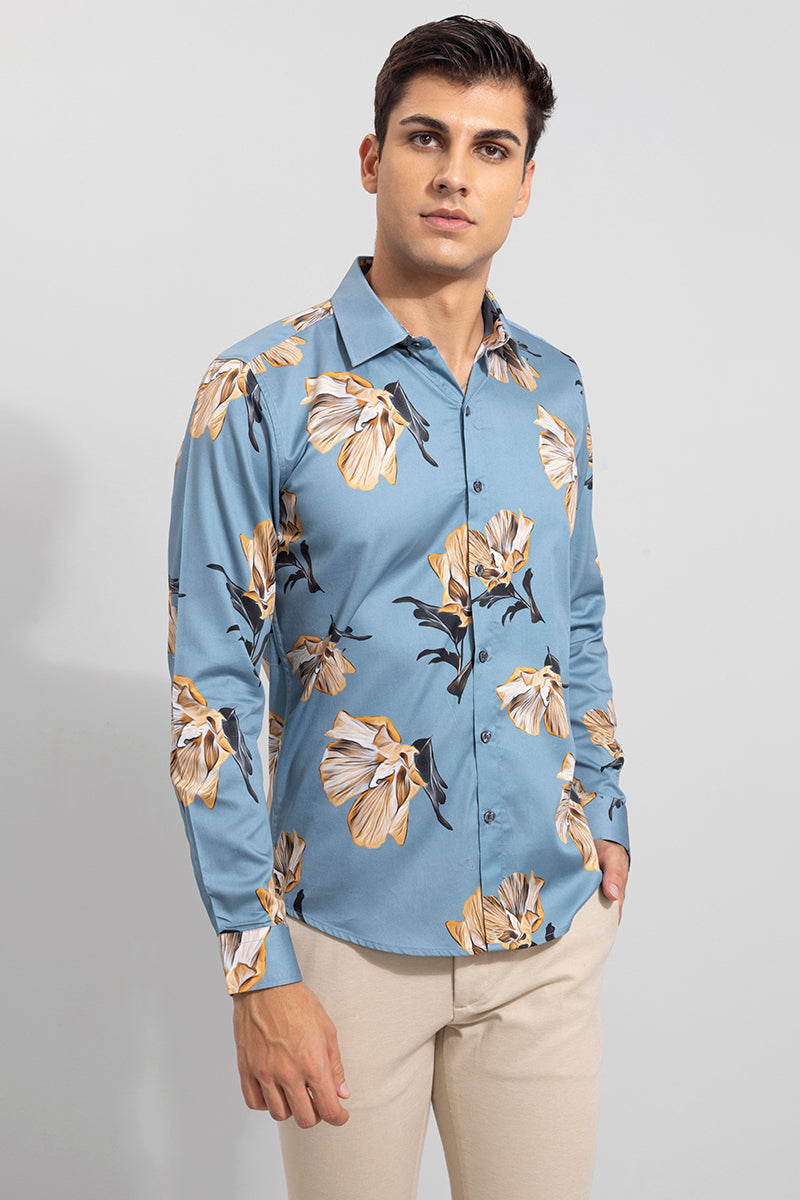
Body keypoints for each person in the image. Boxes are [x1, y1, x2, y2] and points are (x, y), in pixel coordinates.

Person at [168, 15, 630, 1200]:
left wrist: (605, 805)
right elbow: (209, 690)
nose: (453, 174)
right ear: (372, 158)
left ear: (524, 184)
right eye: (426, 138)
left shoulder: (555, 388)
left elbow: (573, 612)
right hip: (344, 947)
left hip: (544, 933)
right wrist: (255, 966)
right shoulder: (258, 388)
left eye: (489, 149)